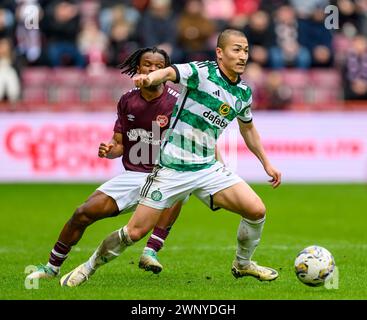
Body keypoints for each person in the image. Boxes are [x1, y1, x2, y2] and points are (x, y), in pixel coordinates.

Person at [60, 29, 282, 287]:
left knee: (256, 210)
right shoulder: (202, 72)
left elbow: (248, 128)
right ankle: (88, 267)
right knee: (134, 233)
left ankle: (242, 264)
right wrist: (149, 77)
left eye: (245, 50)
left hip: (207, 168)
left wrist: (266, 162)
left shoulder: (243, 92)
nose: (243, 55)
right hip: (172, 169)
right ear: (220, 53)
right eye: (236, 49)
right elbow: (168, 72)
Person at [26, 47, 184, 281]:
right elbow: (119, 144)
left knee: (181, 186)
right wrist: (110, 150)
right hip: (134, 176)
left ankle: (151, 250)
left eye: (158, 66)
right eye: (147, 65)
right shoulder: (128, 100)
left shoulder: (178, 102)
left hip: (166, 175)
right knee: (82, 213)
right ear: (138, 68)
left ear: (166, 71)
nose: (152, 69)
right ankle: (52, 268)